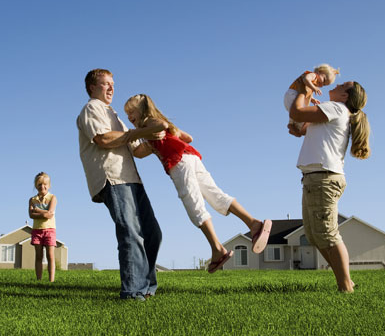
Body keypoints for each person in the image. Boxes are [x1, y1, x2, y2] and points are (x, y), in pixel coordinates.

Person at [124, 94, 272, 273]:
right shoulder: (156, 128)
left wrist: (134, 134)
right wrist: (149, 139)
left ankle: (218, 249)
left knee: (194, 205)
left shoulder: (150, 122)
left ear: (143, 111)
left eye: (132, 112)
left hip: (179, 164)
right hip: (191, 157)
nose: (129, 117)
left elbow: (160, 127)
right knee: (216, 195)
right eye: (127, 114)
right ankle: (254, 223)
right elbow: (186, 138)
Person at [77, 69, 166, 301]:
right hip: (112, 178)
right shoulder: (91, 109)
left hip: (133, 180)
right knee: (130, 232)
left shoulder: (115, 115)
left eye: (113, 84)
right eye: (105, 84)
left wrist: (159, 138)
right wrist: (139, 132)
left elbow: (137, 149)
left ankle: (146, 287)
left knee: (153, 233)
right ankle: (132, 291)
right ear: (92, 88)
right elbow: (103, 139)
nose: (111, 88)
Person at [289, 80, 370, 292]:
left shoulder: (336, 108)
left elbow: (297, 112)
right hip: (315, 177)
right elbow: (301, 127)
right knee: (314, 234)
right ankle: (346, 281)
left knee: (327, 234)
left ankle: (345, 287)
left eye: (342, 85)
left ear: (345, 96)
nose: (336, 85)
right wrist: (297, 126)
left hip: (323, 178)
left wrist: (301, 89)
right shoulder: (335, 110)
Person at [284, 64, 339, 133]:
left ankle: (292, 125)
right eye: (324, 80)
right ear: (319, 71)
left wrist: (312, 99)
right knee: (301, 112)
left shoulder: (313, 83)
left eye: (324, 85)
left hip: (292, 96)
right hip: (293, 93)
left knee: (297, 112)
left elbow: (307, 92)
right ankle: (299, 127)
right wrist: (314, 88)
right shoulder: (313, 75)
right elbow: (306, 79)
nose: (322, 85)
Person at [29, 172, 57, 282]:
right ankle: (39, 279)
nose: (42, 186)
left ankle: (51, 280)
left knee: (50, 256)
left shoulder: (52, 198)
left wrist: (37, 210)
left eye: (45, 184)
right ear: (36, 185)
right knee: (39, 256)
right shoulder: (32, 200)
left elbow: (49, 214)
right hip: (37, 230)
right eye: (39, 184)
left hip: (50, 230)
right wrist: (44, 213)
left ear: (49, 185)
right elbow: (31, 215)